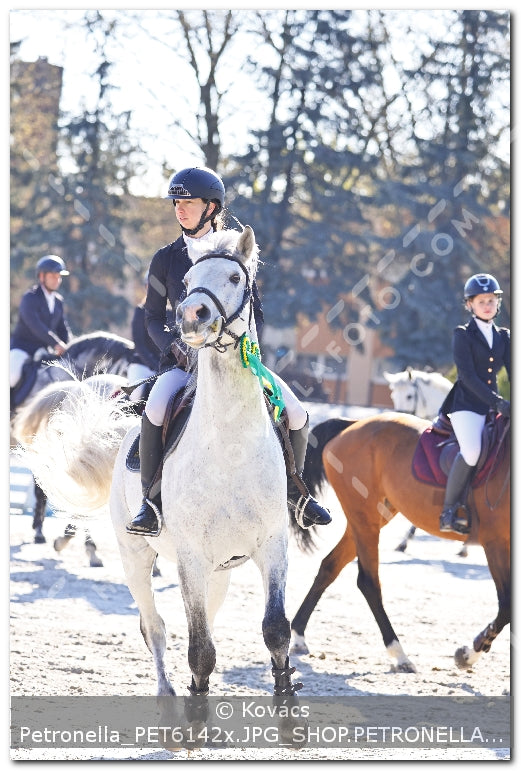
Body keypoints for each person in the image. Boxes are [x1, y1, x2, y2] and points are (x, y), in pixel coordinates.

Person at [127, 166, 332, 535]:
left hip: (234, 361)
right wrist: (174, 345)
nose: (180, 209)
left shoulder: (237, 250)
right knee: (156, 407)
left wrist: (248, 350)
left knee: (298, 414)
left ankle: (294, 495)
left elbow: (255, 311)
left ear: (211, 206)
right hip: (185, 363)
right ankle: (151, 502)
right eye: (176, 202)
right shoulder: (166, 258)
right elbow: (152, 318)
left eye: (187, 201)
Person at [439, 273, 510, 534]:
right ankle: (448, 511)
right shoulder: (463, 335)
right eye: (481, 301)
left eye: (491, 300)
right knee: (471, 452)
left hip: (494, 406)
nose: (487, 305)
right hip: (466, 406)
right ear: (470, 305)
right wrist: (499, 403)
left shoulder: (504, 336)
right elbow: (467, 377)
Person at [10, 255, 71, 390]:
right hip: (22, 349)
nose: (57, 280)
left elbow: (63, 329)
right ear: (42, 276)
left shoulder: (58, 301)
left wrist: (70, 346)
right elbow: (35, 326)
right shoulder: (30, 298)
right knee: (11, 377)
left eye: (59, 276)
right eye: (53, 276)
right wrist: (56, 344)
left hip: (44, 351)